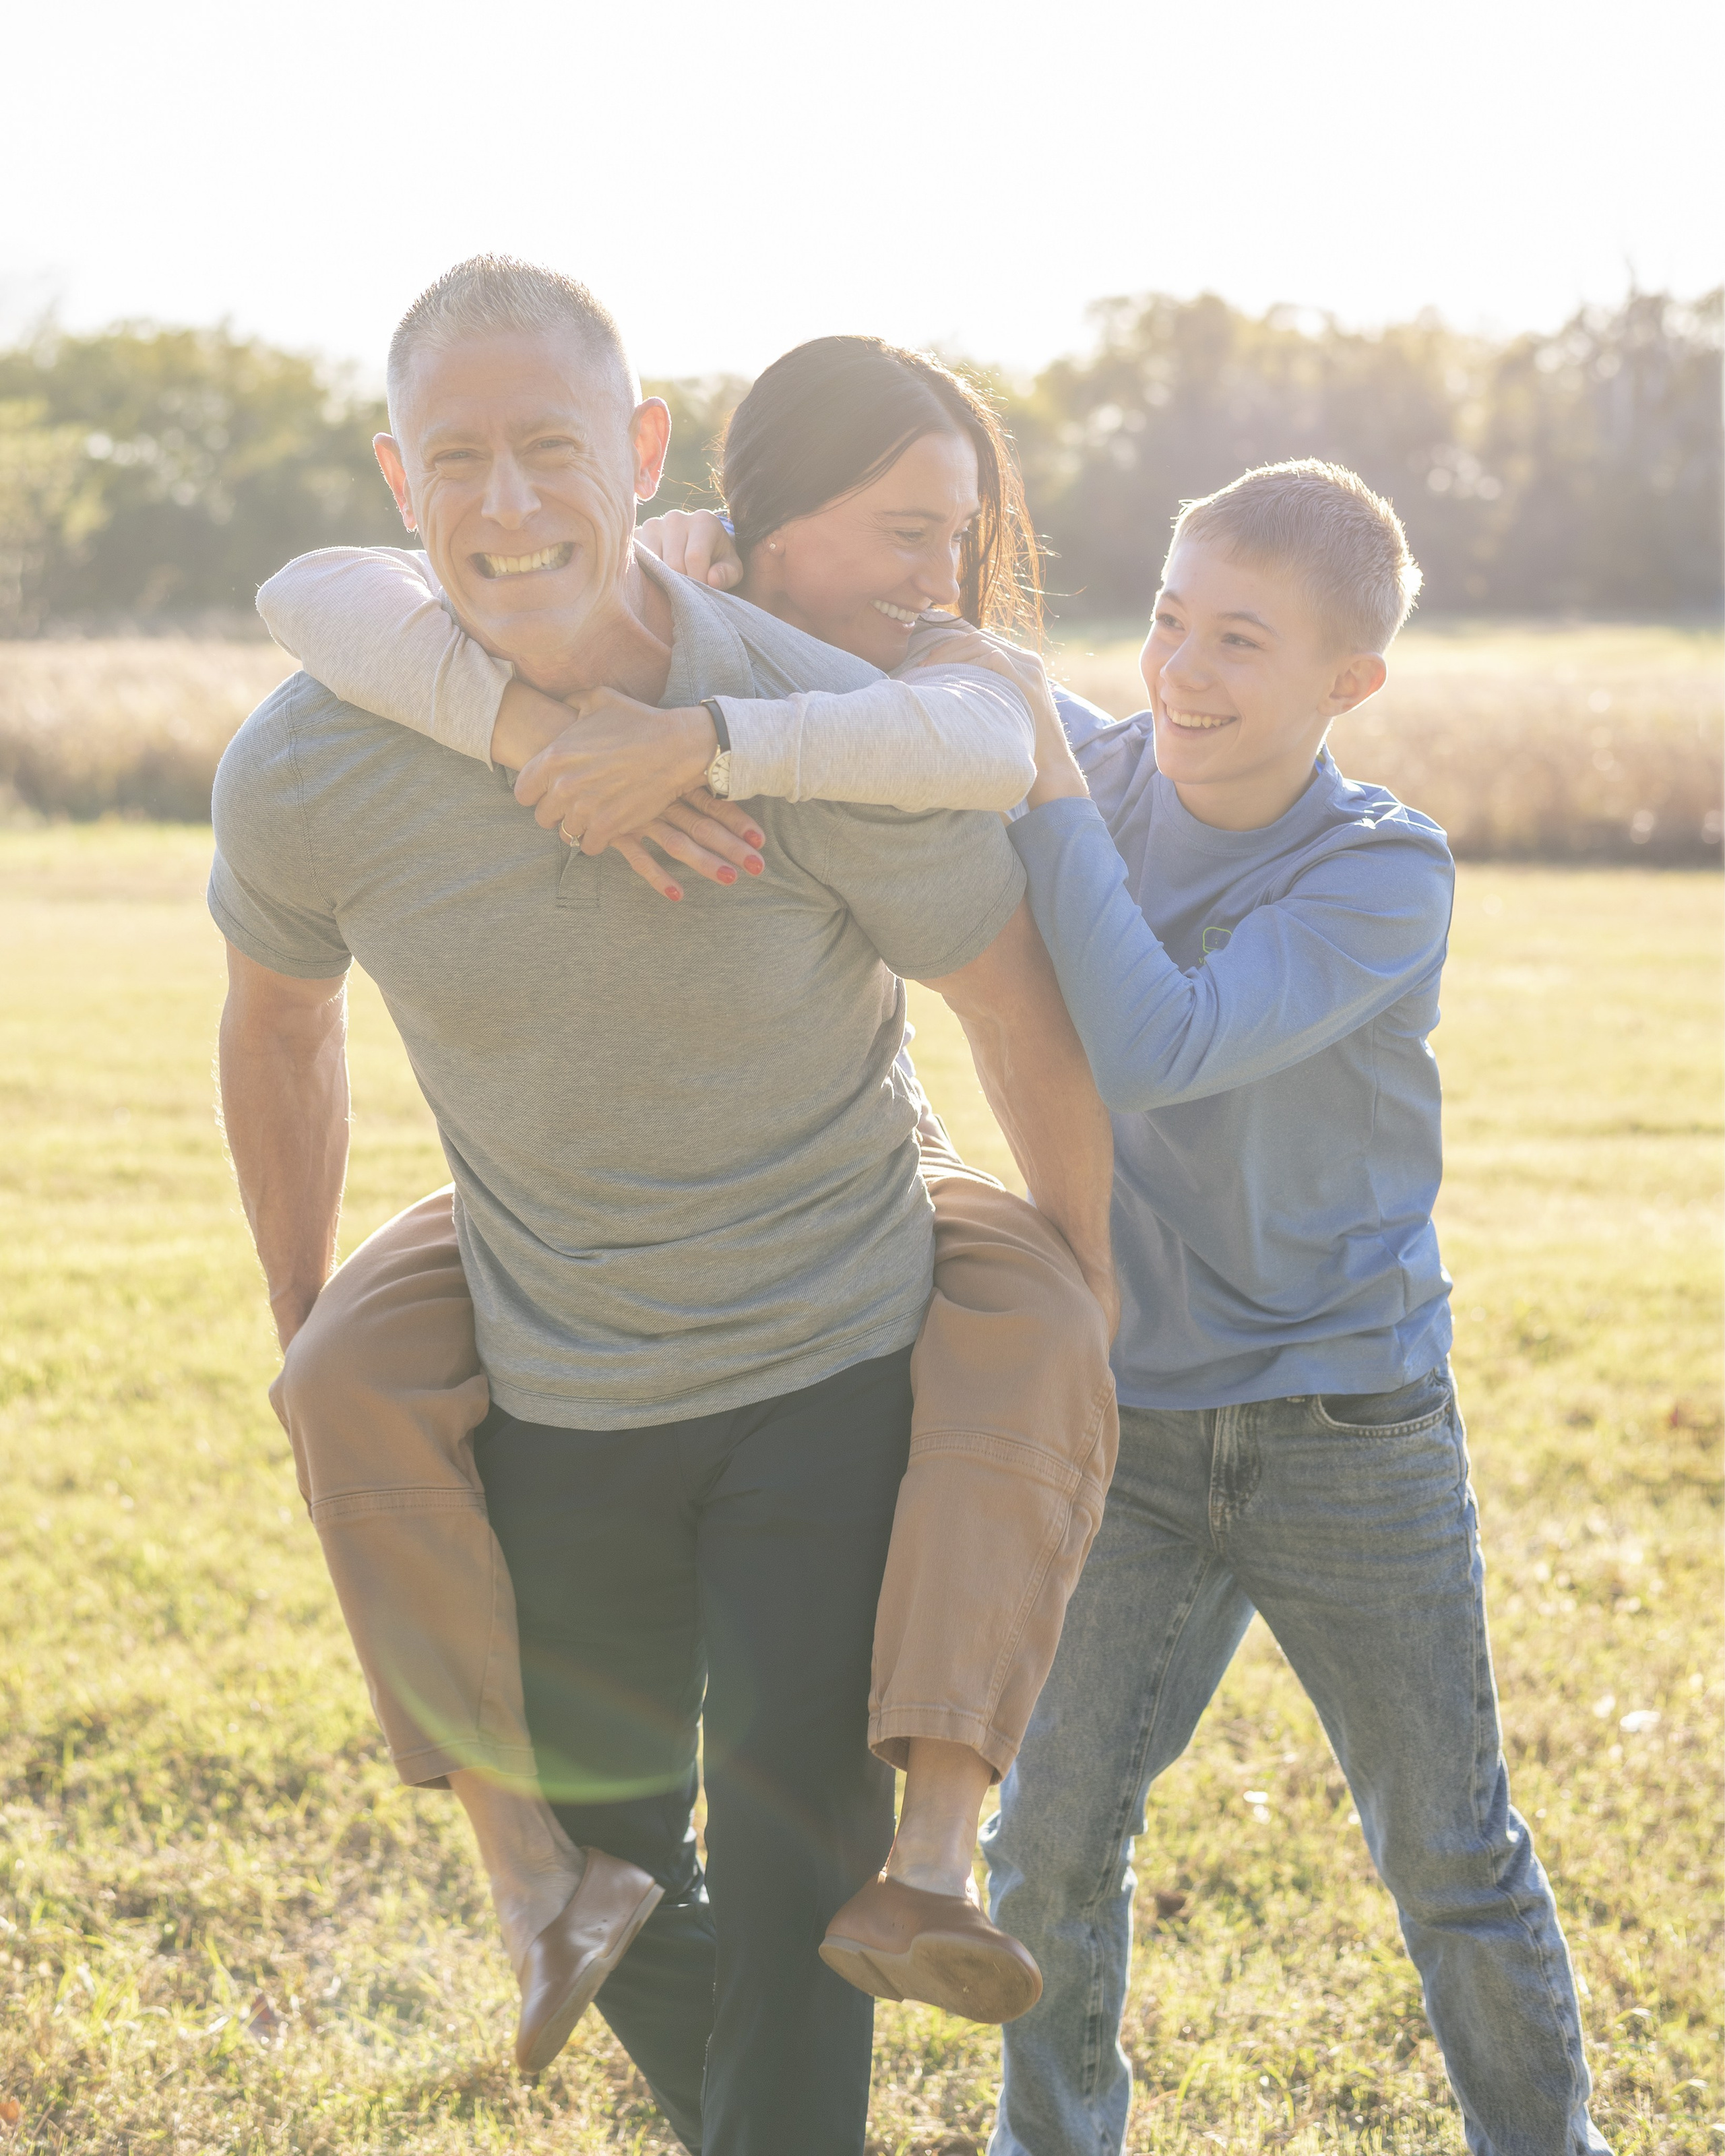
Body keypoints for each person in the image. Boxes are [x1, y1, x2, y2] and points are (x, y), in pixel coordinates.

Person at [214, 258, 1114, 2156]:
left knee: (797, 1878)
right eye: (459, 458)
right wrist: (302, 1306)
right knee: (602, 1868)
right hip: (555, 1384)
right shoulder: (310, 764)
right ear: (398, 479)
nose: (507, 503)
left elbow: (1011, 1004)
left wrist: (1088, 1275)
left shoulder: (813, 721)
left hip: (828, 1365)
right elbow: (279, 1025)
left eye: (552, 447)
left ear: (638, 452)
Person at [975, 460, 1608, 2155]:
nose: (1177, 669)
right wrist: (700, 558)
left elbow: (1155, 1042)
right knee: (1043, 1844)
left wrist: (1045, 786)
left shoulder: (1381, 872)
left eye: (1237, 640)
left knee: (1447, 1856)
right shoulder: (1091, 769)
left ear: (1349, 680)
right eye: (1166, 618)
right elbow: (898, 649)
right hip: (1132, 1421)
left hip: (1348, 1429)